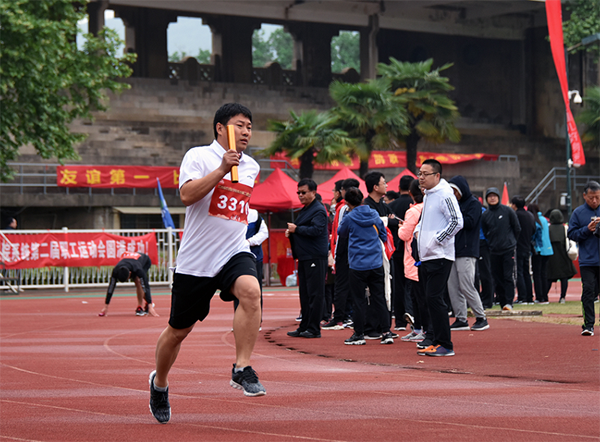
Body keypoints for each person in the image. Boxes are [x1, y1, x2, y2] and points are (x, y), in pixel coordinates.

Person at [149, 103, 264, 425]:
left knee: (251, 292)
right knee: (177, 331)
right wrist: (221, 170)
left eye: (250, 127)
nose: (246, 132)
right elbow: (187, 197)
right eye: (240, 125)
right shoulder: (198, 156)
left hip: (233, 251)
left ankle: (242, 367)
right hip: (197, 260)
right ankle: (159, 383)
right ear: (220, 128)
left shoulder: (252, 167)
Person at [413, 159, 463, 357]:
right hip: (427, 256)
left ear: (437, 176)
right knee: (430, 298)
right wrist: (418, 231)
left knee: (435, 298)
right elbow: (426, 219)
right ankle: (435, 340)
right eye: (420, 173)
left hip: (440, 255)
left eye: (425, 174)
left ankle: (445, 344)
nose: (421, 177)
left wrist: (436, 240)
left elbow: (457, 222)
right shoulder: (428, 196)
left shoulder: (444, 194)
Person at [337, 187, 394, 345]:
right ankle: (386, 332)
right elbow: (383, 233)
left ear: (347, 202)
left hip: (357, 264)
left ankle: (359, 334)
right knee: (379, 298)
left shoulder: (349, 217)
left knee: (359, 299)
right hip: (375, 262)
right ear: (362, 198)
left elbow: (341, 232)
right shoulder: (374, 214)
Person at [286, 178, 329, 339]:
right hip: (305, 256)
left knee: (315, 293)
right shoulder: (306, 209)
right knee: (305, 293)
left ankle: (313, 328)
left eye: (304, 192)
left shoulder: (318, 209)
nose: (300, 195)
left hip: (315, 257)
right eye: (298, 193)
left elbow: (317, 230)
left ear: (313, 192)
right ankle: (304, 325)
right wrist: (293, 232)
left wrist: (297, 229)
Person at [447, 176, 489, 331]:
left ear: (461, 190)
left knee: (466, 285)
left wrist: (455, 217)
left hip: (467, 250)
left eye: (455, 191)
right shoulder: (453, 204)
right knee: (453, 286)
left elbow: (470, 222)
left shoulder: (474, 204)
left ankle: (481, 316)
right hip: (452, 250)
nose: (453, 194)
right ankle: (461, 318)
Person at [363, 171, 401, 338]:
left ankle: (384, 326)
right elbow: (377, 224)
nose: (387, 186)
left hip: (386, 253)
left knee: (387, 290)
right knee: (373, 292)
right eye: (384, 183)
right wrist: (388, 220)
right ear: (375, 187)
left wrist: (387, 220)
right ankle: (371, 328)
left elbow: (393, 221)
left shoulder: (384, 204)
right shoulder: (366, 206)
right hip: (372, 255)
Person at [322, 178, 360, 330]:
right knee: (351, 285)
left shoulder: (343, 209)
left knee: (341, 285)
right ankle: (348, 315)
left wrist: (335, 252)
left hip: (344, 251)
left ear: (343, 191)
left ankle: (341, 317)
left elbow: (340, 232)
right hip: (355, 252)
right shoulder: (363, 208)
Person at [397, 179, 428, 343]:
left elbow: (404, 234)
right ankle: (419, 329)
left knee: (418, 297)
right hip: (425, 257)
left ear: (411, 193)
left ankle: (421, 329)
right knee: (421, 297)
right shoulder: (427, 208)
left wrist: (401, 227)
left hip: (413, 258)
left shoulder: (413, 211)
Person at [567, 181, 600, 336]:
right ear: (584, 196)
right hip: (588, 261)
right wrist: (587, 230)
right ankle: (588, 325)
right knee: (588, 291)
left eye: (598, 198)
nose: (594, 201)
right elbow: (571, 234)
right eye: (591, 197)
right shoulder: (578, 213)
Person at [481, 187, 520, 311]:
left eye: (494, 196)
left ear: (498, 197)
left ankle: (509, 302)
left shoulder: (508, 211)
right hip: (493, 250)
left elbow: (517, 228)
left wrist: (511, 242)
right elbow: (485, 231)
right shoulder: (485, 215)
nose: (492, 198)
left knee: (508, 276)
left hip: (508, 249)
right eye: (490, 196)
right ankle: (502, 301)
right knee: (497, 277)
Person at [389, 175, 416, 330]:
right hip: (413, 250)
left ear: (399, 188)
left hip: (397, 249)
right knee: (413, 284)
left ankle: (399, 321)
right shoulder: (417, 206)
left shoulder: (393, 205)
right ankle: (413, 316)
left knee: (398, 285)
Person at [99, 252, 158, 317]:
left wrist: (150, 307)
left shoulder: (138, 269)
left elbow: (145, 285)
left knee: (138, 281)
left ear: (130, 273)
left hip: (145, 261)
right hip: (131, 262)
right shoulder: (116, 270)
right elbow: (111, 287)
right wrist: (106, 306)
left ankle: (140, 306)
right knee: (137, 282)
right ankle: (147, 303)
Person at [233, 208, 268, 317]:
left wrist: (248, 242)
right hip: (235, 258)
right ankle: (239, 320)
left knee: (255, 290)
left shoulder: (254, 215)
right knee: (237, 290)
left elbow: (264, 233)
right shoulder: (229, 215)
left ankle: (256, 321)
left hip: (254, 258)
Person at [511, 196, 536, 304]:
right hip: (527, 245)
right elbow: (533, 229)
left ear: (514, 205)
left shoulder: (515, 215)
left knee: (519, 272)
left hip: (518, 246)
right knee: (527, 272)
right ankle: (529, 296)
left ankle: (522, 296)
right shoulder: (529, 215)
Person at [547, 209, 576, 304]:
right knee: (564, 278)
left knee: (549, 278)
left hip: (551, 257)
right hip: (564, 255)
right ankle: (562, 297)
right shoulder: (565, 228)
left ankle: (544, 295)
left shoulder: (548, 228)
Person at [527, 203, 553, 303]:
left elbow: (535, 235)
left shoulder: (534, 220)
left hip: (538, 249)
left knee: (537, 274)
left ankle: (539, 296)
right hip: (548, 248)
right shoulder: (544, 220)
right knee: (544, 274)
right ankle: (545, 296)